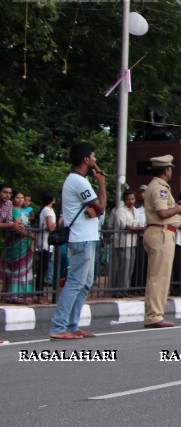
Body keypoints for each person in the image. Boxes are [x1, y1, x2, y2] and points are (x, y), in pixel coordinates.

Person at [49, 142, 107, 340]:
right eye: (93, 156)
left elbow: (96, 209)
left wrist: (96, 209)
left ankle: (72, 325)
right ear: (86, 159)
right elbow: (100, 206)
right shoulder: (79, 181)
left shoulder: (78, 180)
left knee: (85, 283)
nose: (95, 160)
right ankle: (59, 326)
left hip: (87, 237)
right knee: (75, 282)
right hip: (81, 238)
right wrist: (101, 182)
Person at [142, 155, 181, 328]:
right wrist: (178, 208)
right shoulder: (160, 188)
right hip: (161, 232)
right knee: (159, 276)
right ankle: (154, 316)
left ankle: (154, 314)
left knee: (159, 276)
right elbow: (162, 213)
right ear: (166, 170)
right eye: (170, 168)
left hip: (161, 232)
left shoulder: (157, 186)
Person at [109, 189, 143, 297]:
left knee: (130, 267)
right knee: (124, 266)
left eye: (132, 199)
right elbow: (126, 227)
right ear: (124, 200)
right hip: (122, 242)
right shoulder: (120, 211)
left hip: (132, 242)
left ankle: (125, 290)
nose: (131, 201)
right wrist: (140, 228)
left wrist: (137, 227)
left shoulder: (135, 210)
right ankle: (118, 290)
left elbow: (137, 224)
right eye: (128, 199)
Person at [5, 189, 35, 302]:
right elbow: (18, 227)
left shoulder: (21, 210)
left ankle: (21, 293)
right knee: (18, 268)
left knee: (24, 269)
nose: (21, 200)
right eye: (18, 198)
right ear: (13, 199)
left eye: (22, 198)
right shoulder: (15, 211)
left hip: (24, 243)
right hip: (18, 243)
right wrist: (31, 236)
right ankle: (16, 294)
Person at [34, 191, 57, 294]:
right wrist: (60, 222)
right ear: (52, 199)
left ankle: (39, 292)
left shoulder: (45, 209)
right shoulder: (47, 210)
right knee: (43, 268)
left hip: (46, 242)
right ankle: (39, 292)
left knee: (43, 267)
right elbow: (51, 227)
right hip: (45, 242)